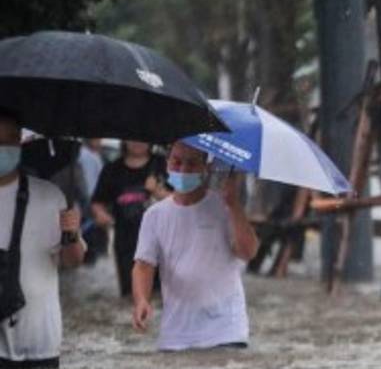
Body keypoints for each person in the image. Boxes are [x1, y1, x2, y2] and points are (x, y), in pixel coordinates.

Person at [131, 141, 258, 351]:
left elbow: (248, 252)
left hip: (226, 331)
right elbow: (143, 265)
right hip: (175, 334)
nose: (183, 169)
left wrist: (235, 206)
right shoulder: (154, 215)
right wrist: (141, 300)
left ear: (205, 167)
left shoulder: (224, 206)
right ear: (167, 163)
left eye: (191, 163)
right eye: (177, 162)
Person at [0, 108, 85, 369]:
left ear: (20, 143)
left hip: (40, 341)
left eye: (9, 141)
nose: (3, 149)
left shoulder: (50, 196)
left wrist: (72, 234)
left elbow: (72, 260)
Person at [91, 140, 167, 296]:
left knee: (161, 295)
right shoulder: (112, 169)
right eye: (132, 138)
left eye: (142, 138)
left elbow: (183, 199)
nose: (137, 142)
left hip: (161, 242)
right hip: (125, 243)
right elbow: (98, 202)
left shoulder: (162, 164)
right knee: (132, 295)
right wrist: (101, 215)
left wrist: (159, 193)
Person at [76, 138, 107, 265]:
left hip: (90, 208)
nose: (100, 141)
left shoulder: (91, 156)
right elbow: (90, 188)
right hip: (89, 208)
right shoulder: (88, 156)